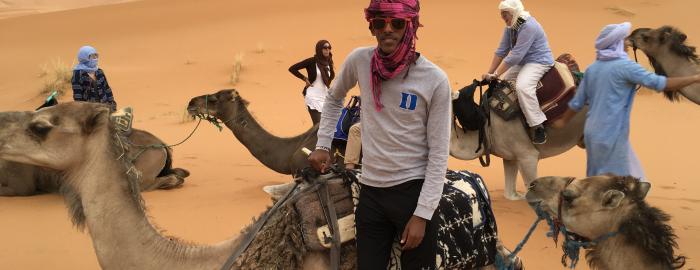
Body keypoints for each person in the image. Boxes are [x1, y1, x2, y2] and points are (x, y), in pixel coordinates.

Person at [308, 0, 451, 269]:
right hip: (371, 192)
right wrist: (324, 143)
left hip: (413, 190)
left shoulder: (434, 79)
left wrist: (422, 215)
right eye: (379, 23)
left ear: (410, 26)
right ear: (371, 26)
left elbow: (439, 151)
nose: (388, 29)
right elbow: (334, 97)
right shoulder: (360, 61)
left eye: (396, 23)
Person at [553, 22, 700, 180]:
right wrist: (694, 78)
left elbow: (577, 103)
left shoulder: (593, 68)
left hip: (591, 133)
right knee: (619, 185)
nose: (627, 43)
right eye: (623, 40)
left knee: (601, 180)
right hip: (612, 134)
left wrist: (562, 122)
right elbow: (662, 84)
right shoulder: (626, 68)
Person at [482, 0, 554, 144]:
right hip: (523, 62)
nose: (503, 17)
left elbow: (515, 55)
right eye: (501, 14)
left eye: (505, 14)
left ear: (514, 12)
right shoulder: (511, 26)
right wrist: (489, 74)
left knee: (523, 87)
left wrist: (496, 74)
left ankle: (537, 126)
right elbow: (502, 51)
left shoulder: (529, 26)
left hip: (538, 61)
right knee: (505, 83)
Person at [289, 40, 335, 125]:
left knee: (327, 128)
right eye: (325, 48)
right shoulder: (311, 61)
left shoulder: (328, 62)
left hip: (325, 98)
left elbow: (330, 78)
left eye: (329, 48)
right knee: (318, 127)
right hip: (313, 98)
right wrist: (304, 78)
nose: (327, 50)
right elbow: (292, 68)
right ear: (319, 49)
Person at [71, 45, 117, 112]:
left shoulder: (99, 72)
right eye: (92, 56)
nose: (95, 58)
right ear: (84, 58)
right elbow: (78, 97)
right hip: (89, 112)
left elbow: (107, 89)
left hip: (104, 108)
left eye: (96, 55)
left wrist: (112, 105)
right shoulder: (78, 74)